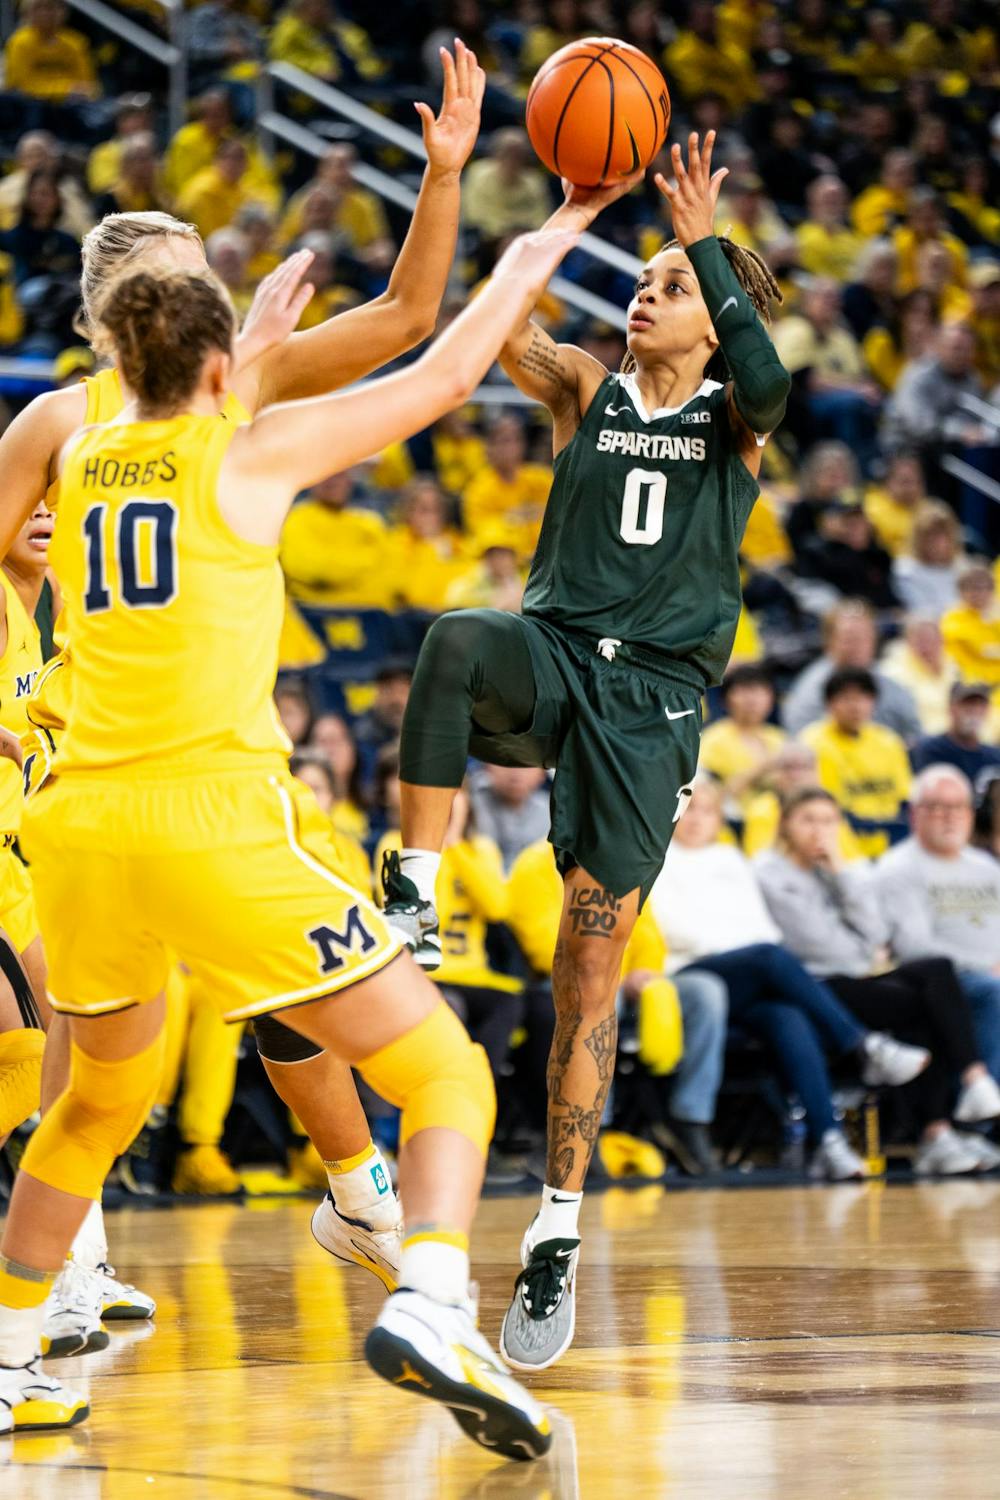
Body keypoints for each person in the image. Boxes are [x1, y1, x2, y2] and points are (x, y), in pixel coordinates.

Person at [0, 213, 578, 1446]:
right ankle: (429, 1292)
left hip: (78, 828)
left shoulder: (80, 448)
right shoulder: (244, 458)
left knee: (93, 1107)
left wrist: (248, 344)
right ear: (225, 370)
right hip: (206, 818)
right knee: (443, 1071)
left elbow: (184, 393)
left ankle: (10, 1363)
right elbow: (443, 370)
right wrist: (544, 240)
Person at [381, 131, 790, 1371]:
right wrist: (537, 208)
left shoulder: (737, 416)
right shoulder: (580, 387)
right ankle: (414, 898)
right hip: (554, 657)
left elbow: (770, 378)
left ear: (712, 319)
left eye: (670, 286)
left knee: (587, 973)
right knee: (456, 636)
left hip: (651, 708)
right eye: (648, 276)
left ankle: (556, 1225)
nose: (645, 293)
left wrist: (706, 239)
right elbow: (487, 327)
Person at [650, 778, 928, 1181]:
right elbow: (672, 929)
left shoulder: (730, 859)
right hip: (689, 973)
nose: (698, 819)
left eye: (708, 810)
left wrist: (741, 946)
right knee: (770, 958)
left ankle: (828, 1142)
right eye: (690, 809)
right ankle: (863, 1043)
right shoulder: (657, 857)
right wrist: (736, 945)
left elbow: (763, 928)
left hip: (745, 978)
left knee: (786, 1016)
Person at [757, 788, 1000, 1176]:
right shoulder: (770, 873)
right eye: (808, 820)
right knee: (922, 1003)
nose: (819, 831)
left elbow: (876, 932)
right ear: (786, 824)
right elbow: (816, 944)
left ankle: (974, 1081)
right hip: (812, 984)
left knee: (936, 971)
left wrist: (840, 874)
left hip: (857, 976)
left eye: (828, 821)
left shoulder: (842, 869)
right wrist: (858, 934)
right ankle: (936, 1133)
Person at [877, 766, 1000, 1079]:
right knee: (993, 990)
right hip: (946, 982)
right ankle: (988, 1112)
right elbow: (914, 948)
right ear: (915, 814)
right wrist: (986, 965)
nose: (950, 816)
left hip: (989, 973)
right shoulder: (898, 867)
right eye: (937, 807)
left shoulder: (984, 865)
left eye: (958, 806)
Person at [801, 667, 912, 857]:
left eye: (863, 698)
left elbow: (904, 799)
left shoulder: (889, 741)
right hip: (840, 840)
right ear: (829, 704)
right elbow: (823, 806)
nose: (856, 706)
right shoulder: (814, 742)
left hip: (891, 840)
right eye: (846, 699)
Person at [782, 599, 920, 741]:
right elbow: (801, 742)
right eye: (849, 639)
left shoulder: (890, 683)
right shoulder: (812, 689)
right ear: (829, 642)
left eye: (865, 637)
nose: (858, 645)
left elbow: (913, 732)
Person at [698, 663, 785, 817]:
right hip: (732, 820)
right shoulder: (712, 740)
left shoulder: (779, 738)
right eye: (744, 691)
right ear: (725, 699)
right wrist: (761, 769)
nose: (752, 700)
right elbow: (711, 795)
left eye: (760, 691)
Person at [880, 613, 958, 735]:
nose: (926, 646)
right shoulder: (892, 673)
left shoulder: (954, 668)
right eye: (920, 639)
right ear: (907, 641)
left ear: (942, 641)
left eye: (931, 639)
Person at [911, 685, 1000, 783]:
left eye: (981, 704)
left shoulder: (994, 757)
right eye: (968, 704)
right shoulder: (932, 750)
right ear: (951, 708)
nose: (975, 711)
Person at [891, 502, 963, 618]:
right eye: (930, 535)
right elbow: (921, 611)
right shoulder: (906, 570)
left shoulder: (962, 566)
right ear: (918, 538)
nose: (937, 542)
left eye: (942, 535)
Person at [941, 564, 1000, 687]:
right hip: (972, 682)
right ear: (961, 591)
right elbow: (980, 647)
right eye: (974, 588)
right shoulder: (953, 618)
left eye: (986, 589)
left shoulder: (994, 615)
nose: (980, 594)